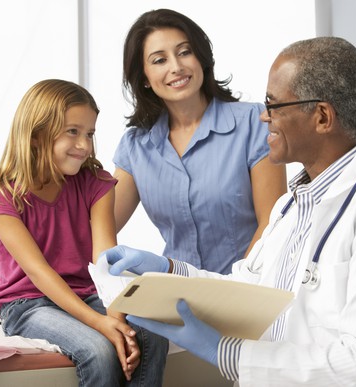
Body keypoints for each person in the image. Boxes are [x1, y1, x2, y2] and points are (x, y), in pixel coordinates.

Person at [102, 37, 356, 386]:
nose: (263, 116)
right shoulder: (292, 204)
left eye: (274, 104)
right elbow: (247, 290)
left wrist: (226, 352)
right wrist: (168, 271)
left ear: (321, 117)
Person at [0, 79, 168, 386]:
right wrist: (102, 326)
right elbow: (39, 274)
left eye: (89, 133)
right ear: (37, 135)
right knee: (98, 351)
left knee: (152, 337)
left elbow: (106, 261)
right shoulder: (0, 196)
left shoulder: (96, 183)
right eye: (72, 132)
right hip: (27, 303)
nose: (85, 145)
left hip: (89, 293)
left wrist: (117, 323)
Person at [113, 9, 287, 274]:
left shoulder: (253, 122)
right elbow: (99, 228)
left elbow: (272, 225)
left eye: (184, 52)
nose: (176, 67)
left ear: (201, 58)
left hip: (246, 295)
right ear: (144, 78)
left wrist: (236, 291)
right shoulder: (136, 147)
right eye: (159, 60)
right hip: (174, 296)